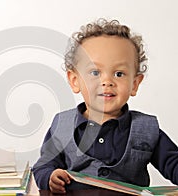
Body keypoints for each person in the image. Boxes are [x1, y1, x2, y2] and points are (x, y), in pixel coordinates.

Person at [32, 18, 178, 194]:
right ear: (74, 80)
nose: (107, 81)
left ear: (135, 84)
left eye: (119, 73)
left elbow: (173, 163)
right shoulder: (62, 124)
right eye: (95, 72)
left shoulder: (147, 129)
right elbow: (43, 165)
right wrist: (50, 177)